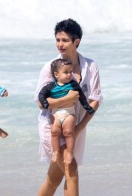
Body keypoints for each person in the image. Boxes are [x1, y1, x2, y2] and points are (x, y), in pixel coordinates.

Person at [35, 18, 103, 196]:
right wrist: (68, 98)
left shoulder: (90, 66)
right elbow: (40, 103)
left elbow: (95, 99)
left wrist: (79, 128)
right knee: (71, 170)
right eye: (57, 40)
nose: (60, 44)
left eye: (64, 40)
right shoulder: (50, 68)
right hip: (53, 128)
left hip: (75, 129)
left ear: (76, 41)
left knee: (53, 180)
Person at [38, 58, 95, 165]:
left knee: (68, 133)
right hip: (55, 113)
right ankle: (55, 152)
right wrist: (45, 104)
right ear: (56, 74)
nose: (69, 75)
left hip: (69, 113)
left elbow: (82, 97)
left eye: (70, 72)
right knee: (55, 132)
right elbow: (41, 95)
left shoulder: (73, 85)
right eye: (66, 72)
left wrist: (87, 107)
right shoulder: (51, 86)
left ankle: (69, 152)